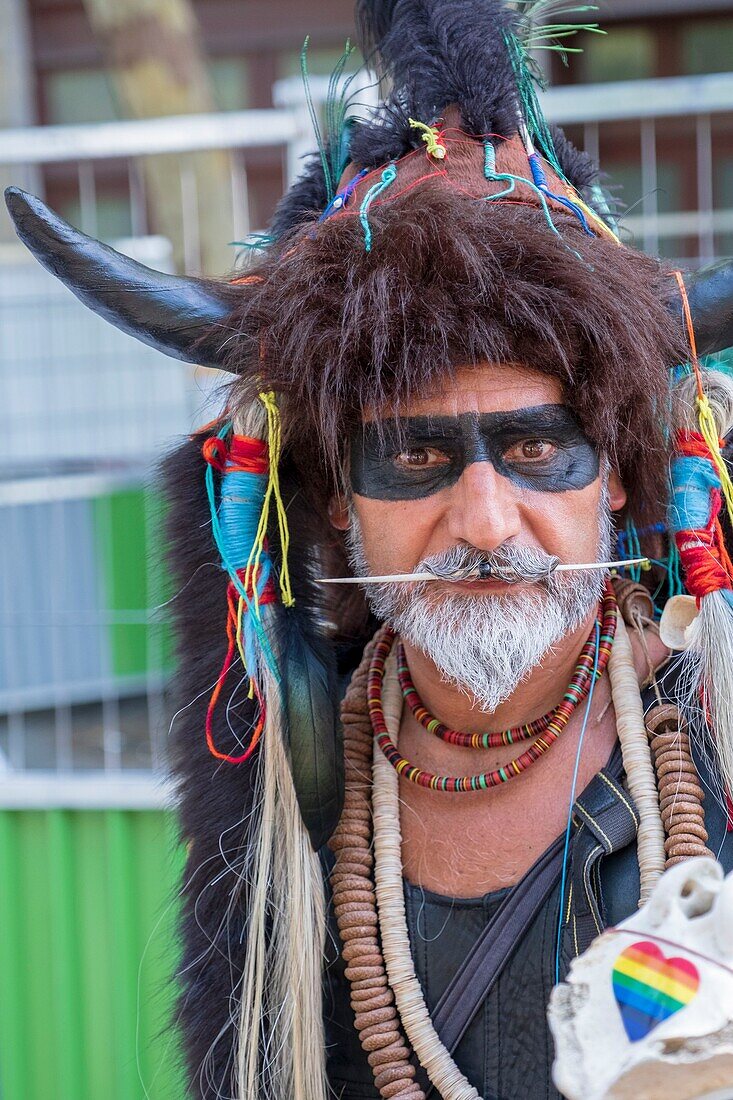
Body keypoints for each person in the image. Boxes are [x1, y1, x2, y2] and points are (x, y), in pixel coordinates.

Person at [7, 2, 733, 1098]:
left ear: (620, 474)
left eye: (539, 446)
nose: (486, 523)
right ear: (338, 500)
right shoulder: (293, 797)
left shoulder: (713, 737)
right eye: (414, 455)